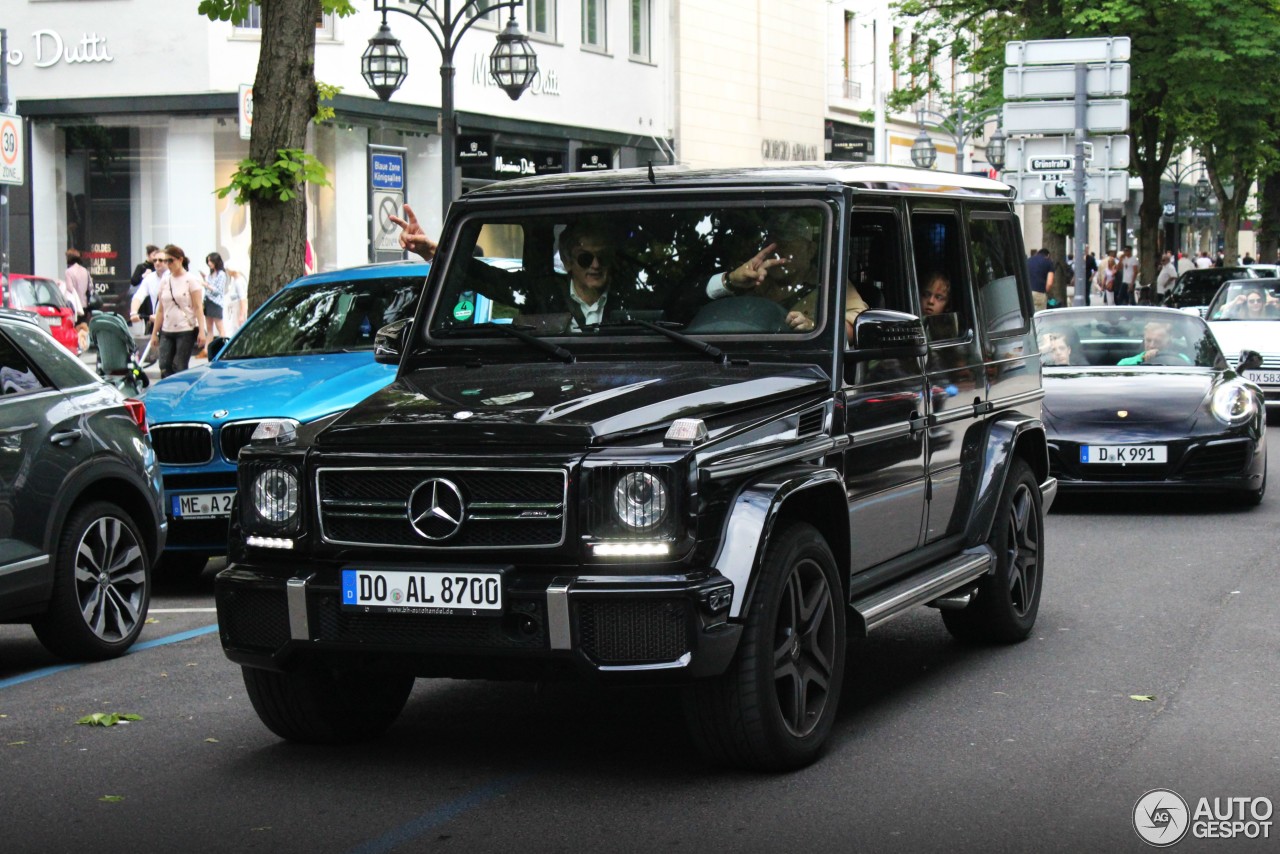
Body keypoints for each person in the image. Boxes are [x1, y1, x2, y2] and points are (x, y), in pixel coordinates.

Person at [706, 211, 868, 335]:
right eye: (771, 242)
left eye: (788, 243)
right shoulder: (750, 279)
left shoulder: (831, 284)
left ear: (810, 250)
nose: (776, 249)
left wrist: (814, 328)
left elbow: (858, 326)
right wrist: (729, 281)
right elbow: (691, 309)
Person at [148, 244, 207, 377]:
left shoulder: (191, 280)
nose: (168, 264)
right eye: (166, 261)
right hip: (167, 329)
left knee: (180, 366)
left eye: (171, 260)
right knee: (164, 364)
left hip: (185, 329)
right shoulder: (165, 281)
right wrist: (154, 333)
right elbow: (160, 310)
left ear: (180, 260)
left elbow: (198, 307)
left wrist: (201, 331)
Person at [130, 245, 166, 347]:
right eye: (155, 261)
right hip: (157, 322)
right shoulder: (150, 278)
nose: (157, 263)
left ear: (168, 262)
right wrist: (133, 313)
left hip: (175, 324)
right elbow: (139, 296)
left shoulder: (172, 277)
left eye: (161, 260)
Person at [1117, 321, 1190, 366]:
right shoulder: (1126, 363)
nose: (1152, 345)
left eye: (1157, 341)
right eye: (1148, 340)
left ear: (1168, 343)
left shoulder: (1181, 359)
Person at [203, 252, 228, 342]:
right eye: (208, 261)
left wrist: (206, 285)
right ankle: (207, 349)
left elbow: (218, 290)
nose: (209, 263)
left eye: (211, 261)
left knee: (219, 326)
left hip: (216, 302)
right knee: (209, 328)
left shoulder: (221, 274)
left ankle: (223, 347)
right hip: (208, 301)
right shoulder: (210, 275)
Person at [64, 248, 93, 323]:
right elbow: (90, 287)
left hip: (74, 306)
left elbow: (70, 289)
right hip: (84, 304)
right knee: (83, 328)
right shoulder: (85, 270)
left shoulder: (68, 272)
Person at [223, 268, 249, 335]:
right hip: (235, 309)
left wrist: (241, 314)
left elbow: (242, 298)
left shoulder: (238, 282)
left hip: (238, 309)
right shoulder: (236, 281)